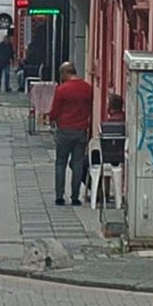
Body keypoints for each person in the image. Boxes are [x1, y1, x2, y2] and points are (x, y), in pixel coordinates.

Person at [49, 62, 93, 206]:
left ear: (64, 73)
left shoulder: (62, 90)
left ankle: (59, 196)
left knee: (60, 163)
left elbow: (55, 110)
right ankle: (75, 197)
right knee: (77, 163)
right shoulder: (87, 88)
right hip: (81, 130)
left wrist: (52, 120)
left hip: (64, 130)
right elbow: (90, 108)